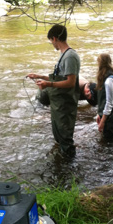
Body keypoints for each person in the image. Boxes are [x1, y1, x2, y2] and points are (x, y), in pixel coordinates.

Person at [27, 24, 80, 157]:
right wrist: (39, 76)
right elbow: (60, 77)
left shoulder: (70, 56)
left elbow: (71, 82)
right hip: (58, 103)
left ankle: (69, 167)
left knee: (65, 138)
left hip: (65, 104)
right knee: (59, 136)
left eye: (51, 41)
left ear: (55, 38)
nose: (52, 44)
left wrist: (48, 84)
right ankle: (61, 164)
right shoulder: (64, 55)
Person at [95, 53, 113, 140]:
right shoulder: (112, 77)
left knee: (109, 141)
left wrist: (103, 121)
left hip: (112, 118)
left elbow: (109, 103)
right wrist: (99, 114)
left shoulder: (109, 81)